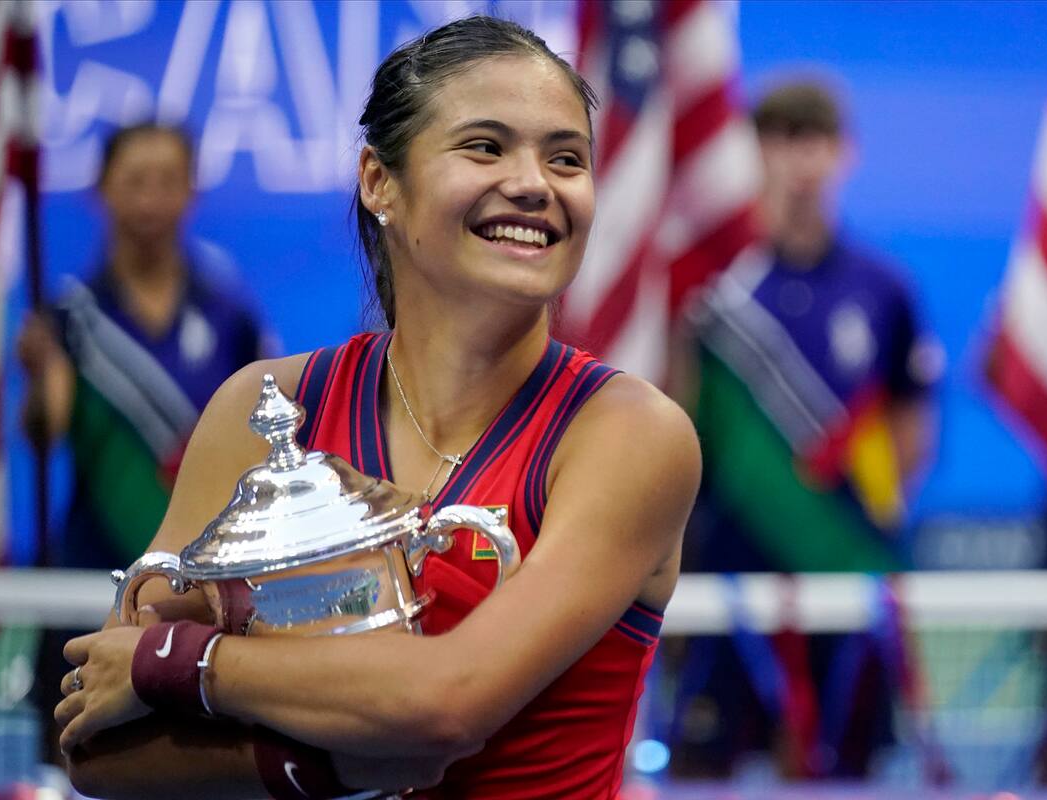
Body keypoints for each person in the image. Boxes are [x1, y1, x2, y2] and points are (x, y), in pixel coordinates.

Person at [50, 16, 700, 800]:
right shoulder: (262, 410)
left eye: (567, 158)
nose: (535, 182)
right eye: (485, 147)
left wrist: (183, 663)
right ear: (378, 180)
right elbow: (93, 746)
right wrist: (315, 767)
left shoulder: (630, 434)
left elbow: (447, 703)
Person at [666, 80, 942, 779]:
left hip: (843, 563)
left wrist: (854, 519)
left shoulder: (885, 288)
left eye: (814, 140)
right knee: (706, 762)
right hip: (723, 565)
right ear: (752, 154)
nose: (799, 160)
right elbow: (672, 412)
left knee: (844, 769)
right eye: (780, 139)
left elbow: (912, 420)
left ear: (844, 154)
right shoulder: (710, 285)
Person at [18, 123, 272, 765]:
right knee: (80, 756)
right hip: (91, 575)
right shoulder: (70, 319)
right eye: (134, 182)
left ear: (191, 190)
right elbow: (43, 431)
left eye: (167, 181)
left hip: (200, 584)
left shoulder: (230, 309)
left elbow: (267, 429)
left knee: (192, 758)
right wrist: (39, 374)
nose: (151, 200)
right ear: (101, 191)